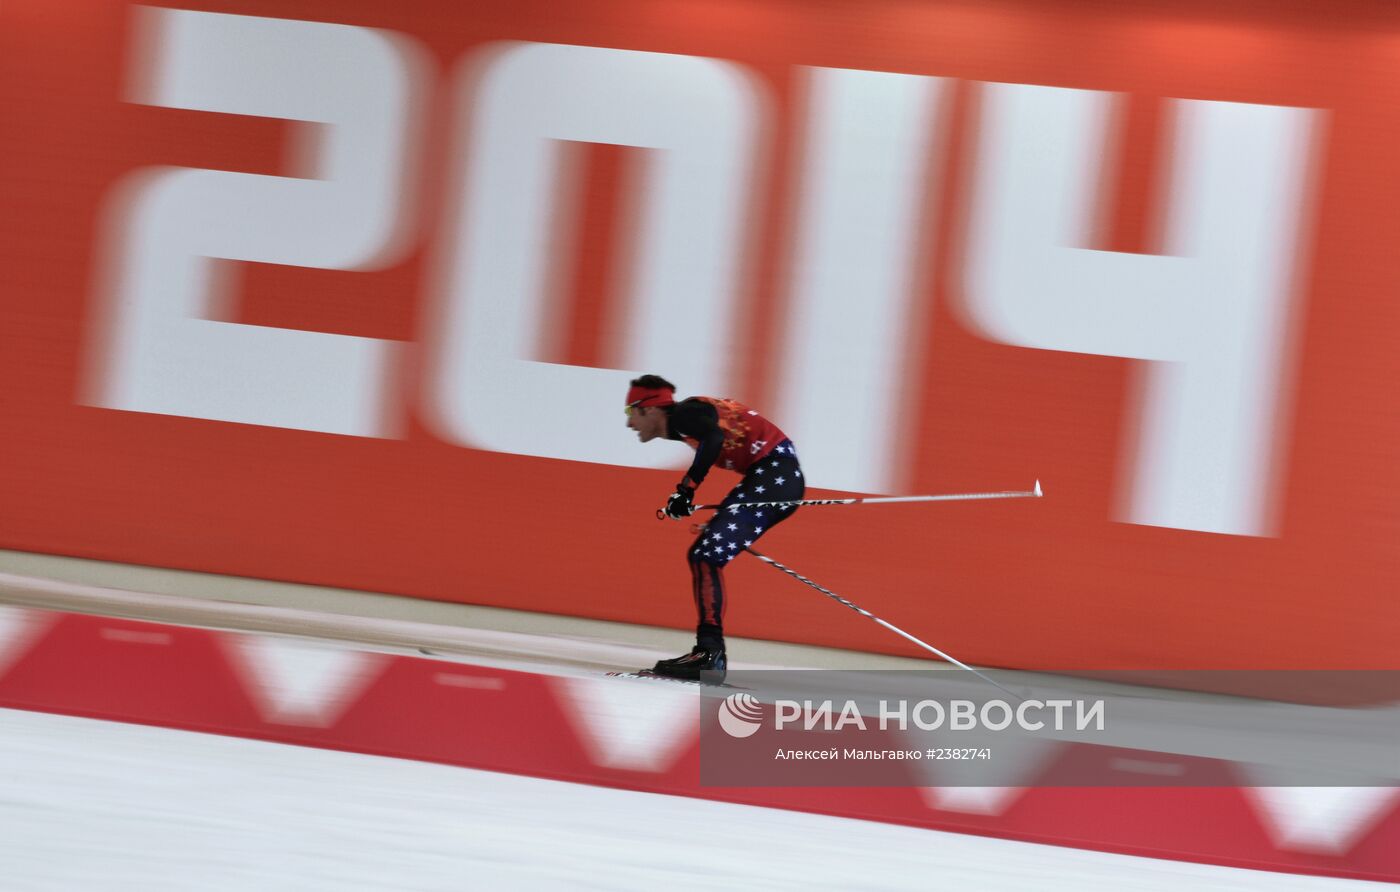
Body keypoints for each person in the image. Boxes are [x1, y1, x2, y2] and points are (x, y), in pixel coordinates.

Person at [624, 375, 805, 681]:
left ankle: (709, 655)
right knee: (704, 553)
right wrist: (719, 518)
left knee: (705, 556)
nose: (629, 423)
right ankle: (708, 653)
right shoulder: (684, 425)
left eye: (631, 412)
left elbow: (714, 439)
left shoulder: (685, 414)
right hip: (771, 478)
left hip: (774, 477)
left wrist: (686, 489)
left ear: (650, 408)